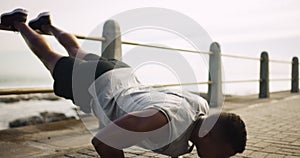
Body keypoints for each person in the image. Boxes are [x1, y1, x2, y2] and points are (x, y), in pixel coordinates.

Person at [0, 8, 247, 158]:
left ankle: (47, 24)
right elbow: (103, 140)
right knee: (50, 58)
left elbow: (180, 131)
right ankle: (19, 22)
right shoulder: (164, 120)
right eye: (221, 156)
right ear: (211, 135)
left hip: (122, 75)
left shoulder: (201, 107)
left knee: (76, 50)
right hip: (99, 84)